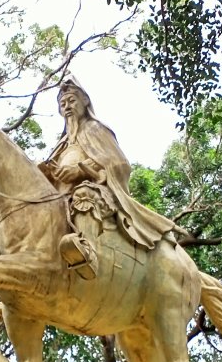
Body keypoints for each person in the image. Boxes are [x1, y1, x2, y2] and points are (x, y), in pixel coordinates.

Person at [39, 78, 177, 278]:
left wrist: (81, 171)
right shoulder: (62, 143)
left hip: (96, 191)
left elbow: (119, 164)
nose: (67, 107)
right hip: (60, 197)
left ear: (85, 102)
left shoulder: (95, 129)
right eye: (63, 104)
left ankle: (88, 252)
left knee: (83, 194)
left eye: (71, 100)